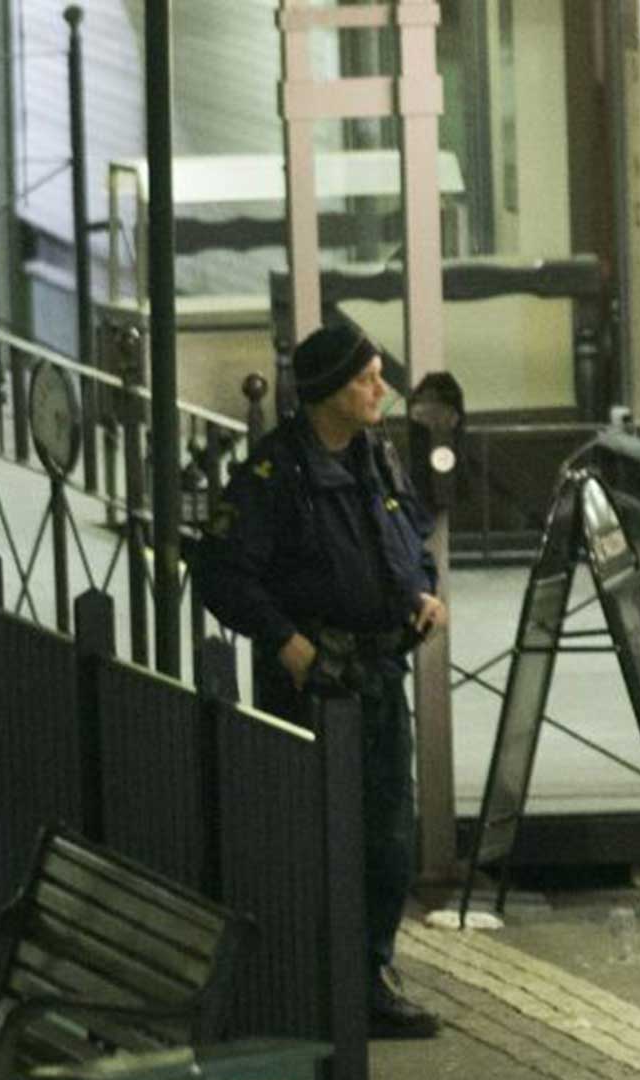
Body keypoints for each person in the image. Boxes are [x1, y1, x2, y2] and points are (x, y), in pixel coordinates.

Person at [195, 318, 449, 1041]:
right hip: (313, 683)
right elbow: (220, 571)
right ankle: (308, 980)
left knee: (389, 837)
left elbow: (410, 544)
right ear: (329, 392)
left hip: (378, 673)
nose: (382, 388)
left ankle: (367, 977)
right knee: (313, 833)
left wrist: (421, 594)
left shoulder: (377, 457)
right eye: (368, 377)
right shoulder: (275, 474)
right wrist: (286, 643)